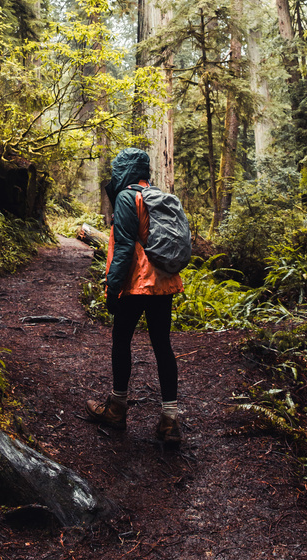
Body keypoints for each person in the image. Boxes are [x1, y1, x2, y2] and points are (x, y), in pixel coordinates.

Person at [86, 147, 183, 444]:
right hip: (163, 283)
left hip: (136, 283)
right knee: (162, 346)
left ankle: (116, 409)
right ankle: (170, 420)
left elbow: (125, 249)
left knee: (121, 340)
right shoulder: (158, 196)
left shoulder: (127, 197)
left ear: (124, 170)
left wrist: (112, 289)